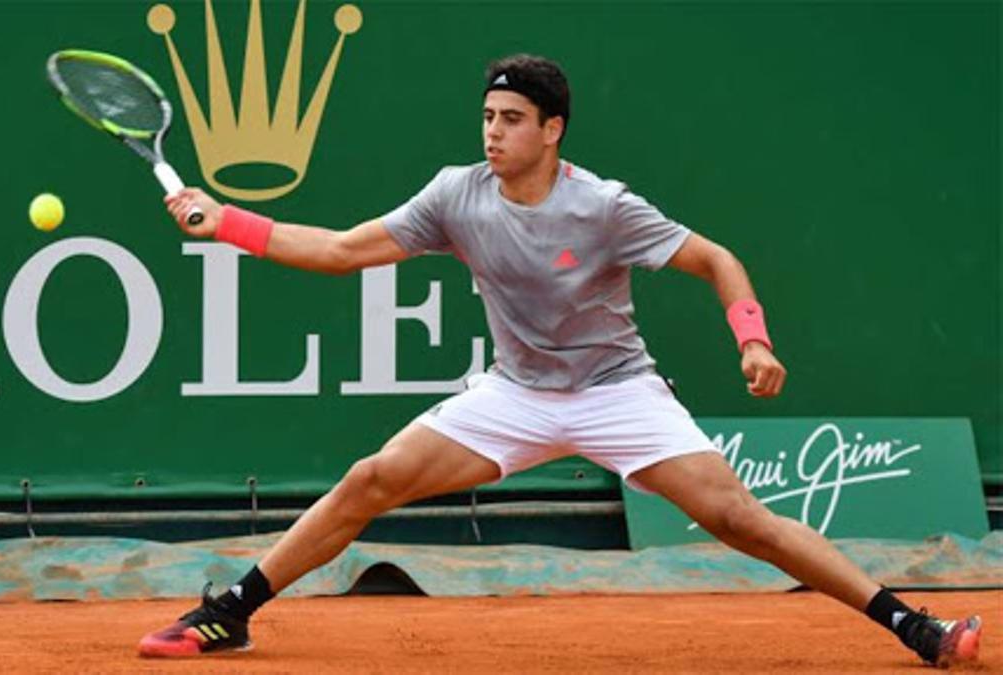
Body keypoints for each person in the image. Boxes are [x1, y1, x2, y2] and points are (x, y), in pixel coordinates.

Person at [139, 54, 982, 668]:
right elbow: (338, 249)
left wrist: (751, 336)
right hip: (516, 392)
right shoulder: (455, 194)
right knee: (370, 479)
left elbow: (716, 258)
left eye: (511, 120)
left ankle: (912, 624)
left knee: (743, 522)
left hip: (618, 391)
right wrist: (231, 223)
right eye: (487, 117)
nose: (494, 133)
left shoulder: (605, 206)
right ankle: (231, 612)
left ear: (552, 130)